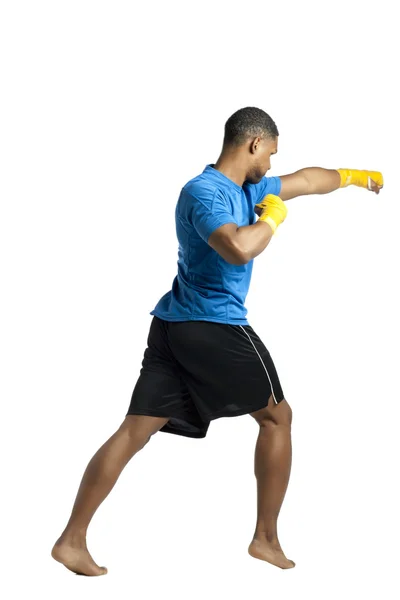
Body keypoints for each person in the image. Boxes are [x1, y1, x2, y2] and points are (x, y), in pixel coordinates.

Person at [51, 107, 383, 575]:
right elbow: (238, 247)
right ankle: (265, 539)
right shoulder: (204, 193)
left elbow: (307, 181)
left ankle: (70, 541)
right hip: (213, 326)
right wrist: (274, 221)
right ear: (252, 145)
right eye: (270, 152)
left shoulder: (250, 188)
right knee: (276, 417)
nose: (271, 163)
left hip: (172, 326)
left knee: (135, 430)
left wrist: (355, 176)